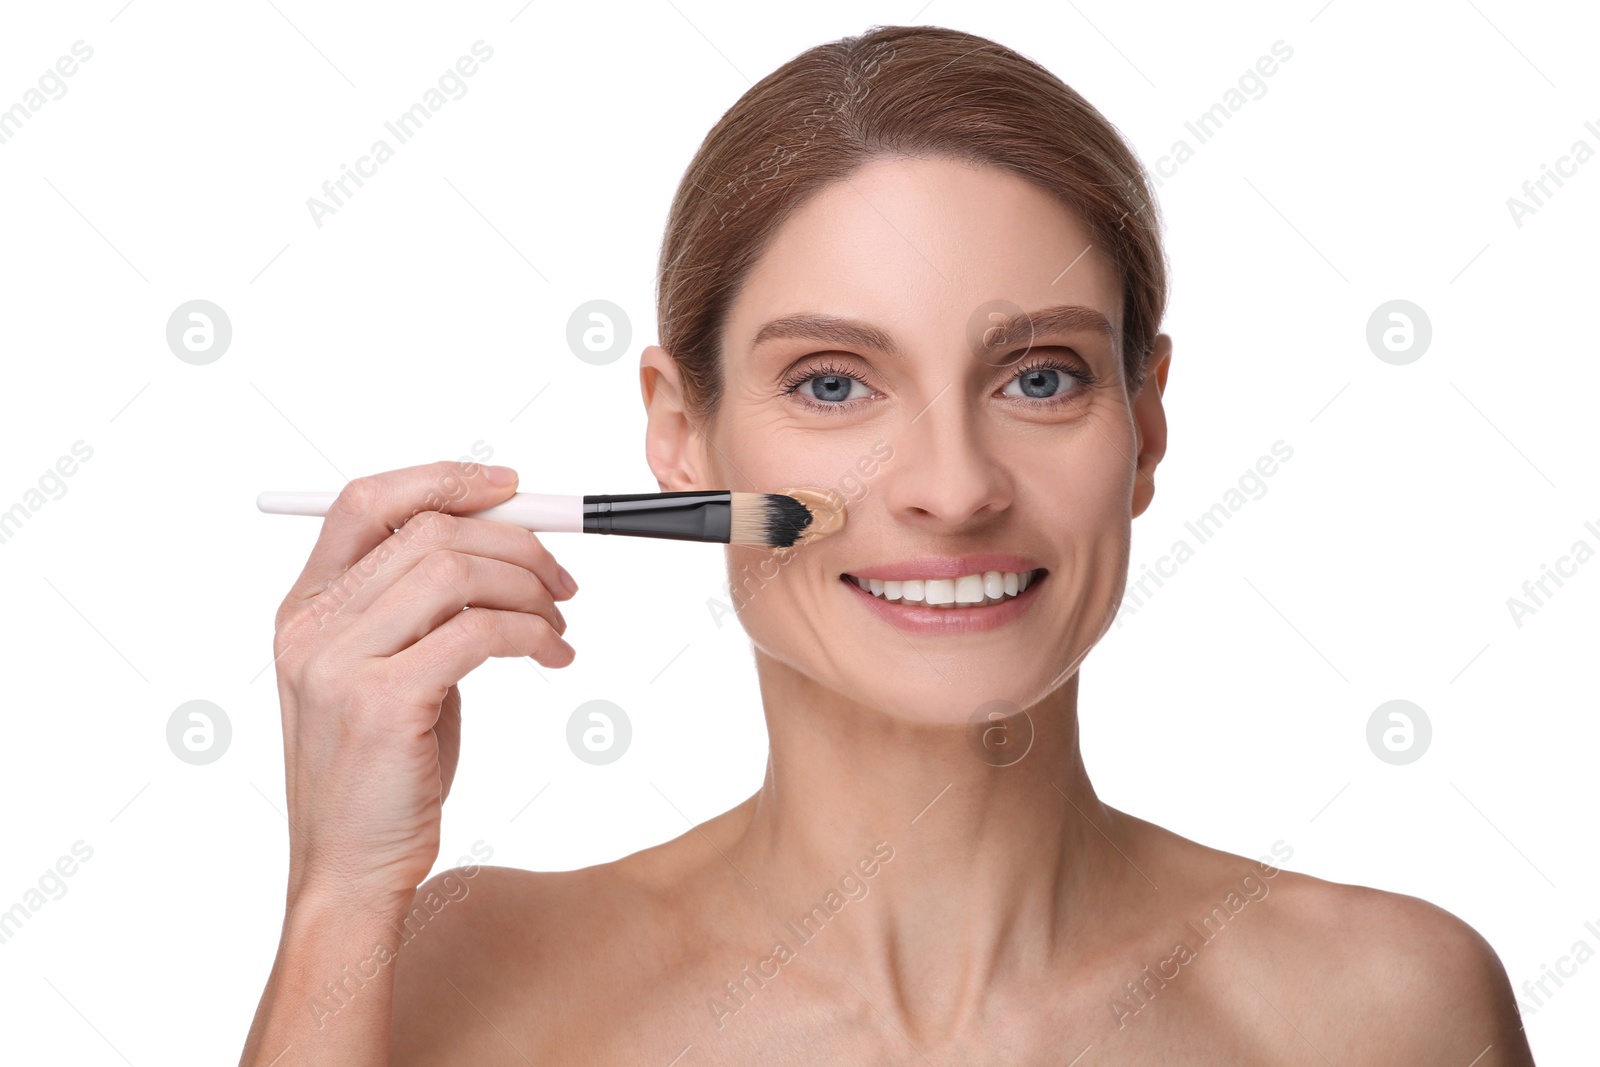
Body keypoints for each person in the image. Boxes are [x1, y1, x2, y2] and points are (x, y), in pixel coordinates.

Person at [240, 24, 1535, 1065]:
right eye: (831, 383)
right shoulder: (455, 980)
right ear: (681, 435)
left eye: (1037, 379)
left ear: (1144, 426)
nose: (954, 488)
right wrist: (337, 899)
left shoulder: (1389, 1013)